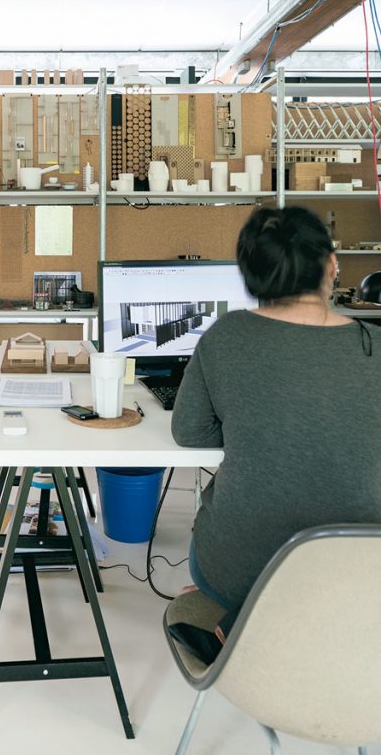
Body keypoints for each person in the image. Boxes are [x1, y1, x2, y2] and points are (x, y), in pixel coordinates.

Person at [171, 205, 381, 640]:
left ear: (251, 277)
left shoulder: (226, 336)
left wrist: (254, 424)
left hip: (237, 569)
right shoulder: (374, 344)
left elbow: (189, 432)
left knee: (224, 555)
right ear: (331, 265)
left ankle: (238, 610)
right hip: (362, 576)